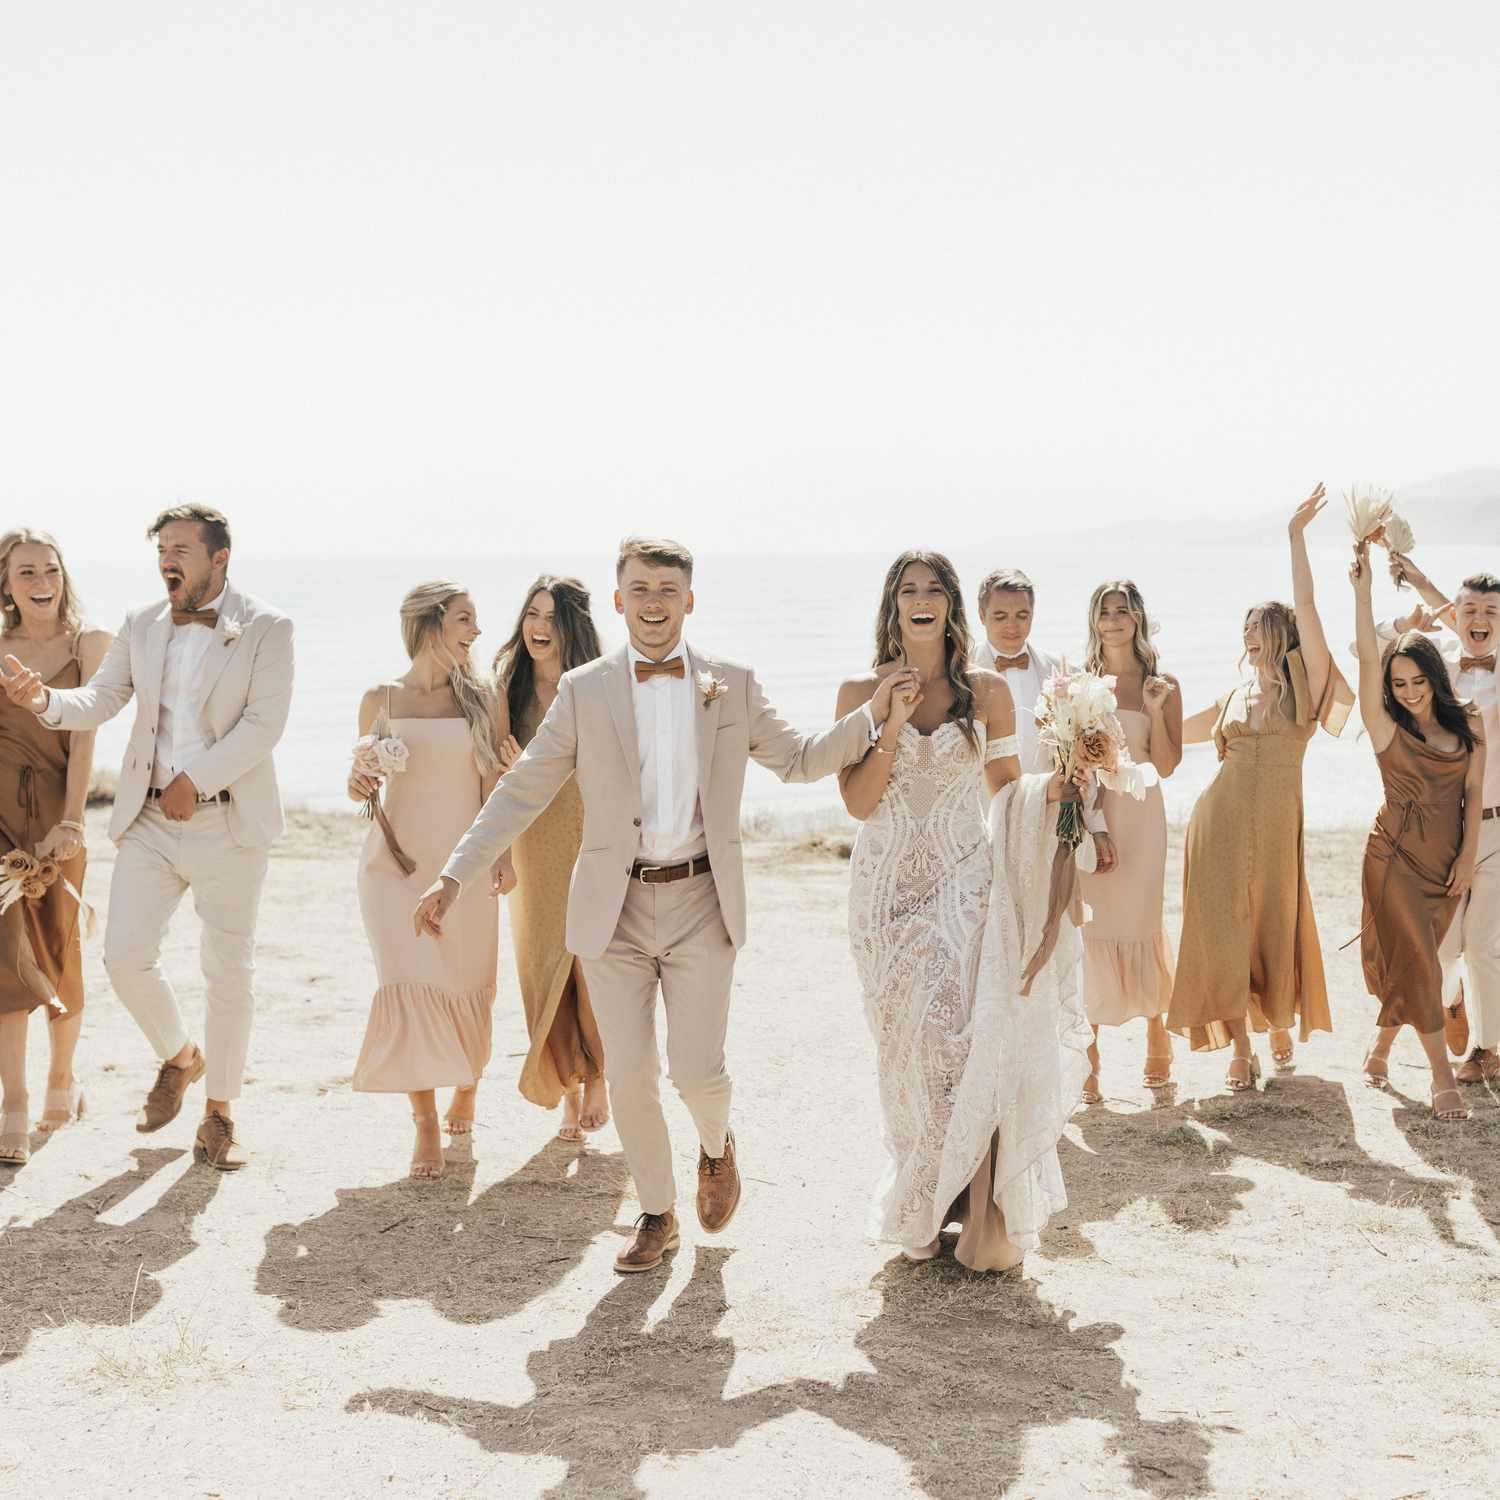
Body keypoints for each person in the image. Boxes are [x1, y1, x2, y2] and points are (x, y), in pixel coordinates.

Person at [413, 536, 903, 1275]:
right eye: (639, 590)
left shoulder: (731, 684)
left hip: (703, 899)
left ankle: (716, 1144)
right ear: (618, 600)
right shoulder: (583, 690)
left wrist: (872, 716)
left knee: (696, 1072)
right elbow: (522, 789)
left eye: (667, 590)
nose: (653, 604)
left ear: (689, 600)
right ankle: (657, 1212)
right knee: (631, 1072)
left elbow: (800, 759)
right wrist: (454, 875)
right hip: (611, 907)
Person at [0, 505, 293, 1171]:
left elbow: (264, 725)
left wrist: (198, 778)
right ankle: (181, 1056)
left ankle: (220, 1116)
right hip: (151, 821)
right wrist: (42, 701)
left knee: (228, 971)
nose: (167, 561)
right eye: (162, 550)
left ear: (219, 557)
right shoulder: (143, 622)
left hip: (230, 822)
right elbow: (99, 699)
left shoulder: (268, 627)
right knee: (124, 958)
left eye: (180, 550)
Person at [840, 550, 1090, 1269]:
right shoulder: (857, 691)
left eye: (933, 590)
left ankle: (971, 1205)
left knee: (959, 1039)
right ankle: (920, 1201)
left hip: (963, 882)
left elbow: (1005, 789)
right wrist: (888, 720)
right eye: (908, 590)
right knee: (905, 1050)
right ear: (893, 605)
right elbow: (857, 802)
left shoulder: (987, 692)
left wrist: (1056, 789)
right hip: (884, 891)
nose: (921, 600)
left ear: (951, 605)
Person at [1167, 487, 1352, 1089]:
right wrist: (1122, 709)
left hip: (1275, 830)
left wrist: (1294, 536)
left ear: (1284, 635)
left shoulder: (1306, 686)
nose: (1249, 632)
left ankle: (1275, 1022)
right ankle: (1241, 1049)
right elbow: (1173, 733)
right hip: (1216, 822)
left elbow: (1309, 604)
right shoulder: (1233, 696)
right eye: (1245, 625)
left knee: (1272, 923)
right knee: (1222, 929)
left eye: (1262, 625)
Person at [349, 583, 508, 1179]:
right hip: (393, 868)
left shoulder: (485, 697)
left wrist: (502, 856)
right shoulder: (380, 698)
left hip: (462, 865)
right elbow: (361, 785)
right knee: (407, 983)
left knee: (468, 981)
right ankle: (424, 1122)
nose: (476, 631)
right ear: (429, 623)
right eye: (465, 619)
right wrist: (357, 782)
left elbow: (494, 787)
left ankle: (466, 1083)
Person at [1351, 546, 1483, 1119]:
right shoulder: (1384, 727)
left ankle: (1379, 1048)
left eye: (1418, 680)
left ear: (1435, 675)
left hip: (1447, 859)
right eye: (1399, 683)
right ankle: (1440, 1078)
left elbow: (1472, 794)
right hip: (1393, 858)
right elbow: (1366, 661)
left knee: (1418, 960)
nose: (1409, 691)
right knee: (1421, 962)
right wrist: (1362, 593)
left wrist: (1467, 857)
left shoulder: (1468, 721)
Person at [0, 531, 111, 1165]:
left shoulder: (88, 644)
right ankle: (13, 1102)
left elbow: (86, 738)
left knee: (60, 948)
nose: (41, 581)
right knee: (7, 957)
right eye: (26, 572)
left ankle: (61, 1080)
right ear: (7, 585)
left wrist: (71, 822)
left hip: (57, 811)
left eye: (50, 569)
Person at [492, 576, 609, 1142]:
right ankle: (568, 1086)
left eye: (550, 617)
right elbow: (496, 776)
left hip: (588, 830)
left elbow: (612, 765)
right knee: (545, 965)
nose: (537, 627)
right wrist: (499, 854)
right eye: (531, 614)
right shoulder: (507, 687)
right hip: (533, 841)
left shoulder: (595, 684)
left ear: (572, 626)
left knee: (592, 962)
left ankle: (600, 1076)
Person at [1384, 556, 1500, 1084]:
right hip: (1441, 827)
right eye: (1469, 610)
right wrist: (1414, 597)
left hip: (1497, 825)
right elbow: (1373, 650)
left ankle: (1487, 1048)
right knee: (1445, 945)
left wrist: (1425, 583)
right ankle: (1452, 999)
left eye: (1492, 611)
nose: (1479, 620)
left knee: (1484, 944)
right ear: (1455, 614)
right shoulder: (1439, 668)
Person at [1077, 581, 1181, 1097]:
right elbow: (1069, 758)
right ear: (1094, 621)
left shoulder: (1162, 683)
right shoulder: (1079, 684)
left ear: (1137, 617)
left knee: (1142, 922)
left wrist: (1156, 710)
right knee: (1092, 928)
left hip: (1142, 819)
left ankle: (1158, 1034)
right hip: (1093, 815)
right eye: (1105, 612)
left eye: (1122, 610)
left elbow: (1167, 764)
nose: (1114, 620)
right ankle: (1089, 1054)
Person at [974, 567, 1117, 877]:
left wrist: (1097, 827)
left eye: (1022, 615)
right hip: (981, 827)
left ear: (1033, 614)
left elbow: (1086, 761)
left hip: (1047, 826)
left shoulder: (1065, 674)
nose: (1012, 626)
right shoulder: (959, 676)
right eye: (1000, 616)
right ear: (981, 614)